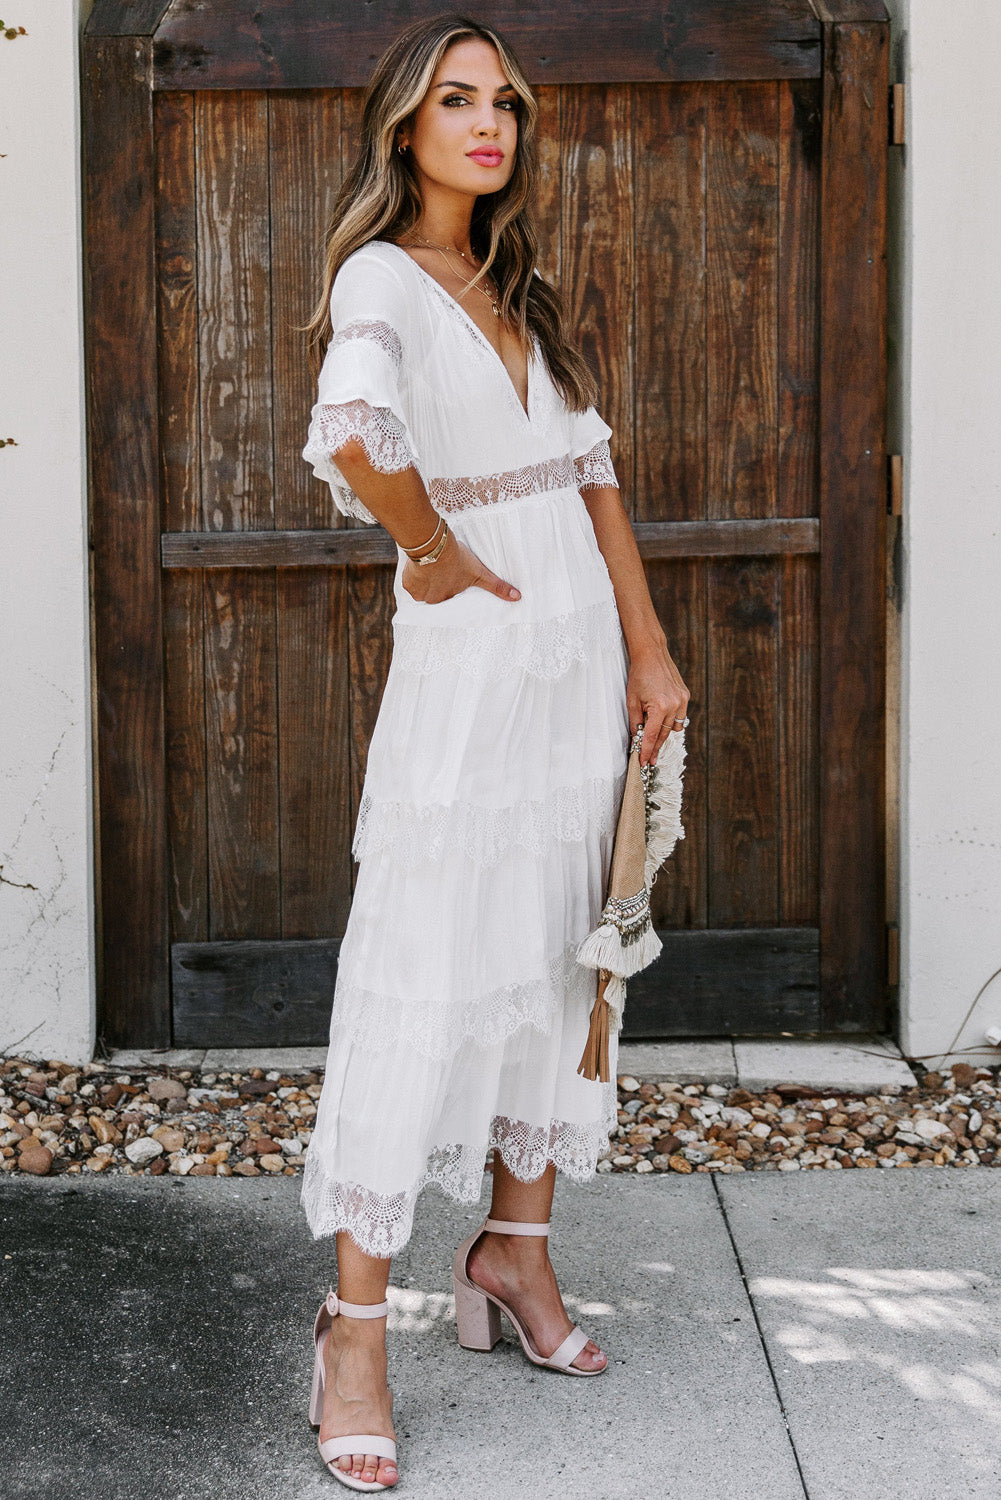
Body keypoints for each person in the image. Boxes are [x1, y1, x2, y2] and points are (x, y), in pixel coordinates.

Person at [298, 12, 690, 1490]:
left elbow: (589, 477)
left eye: (505, 105)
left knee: (560, 961)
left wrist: (647, 648)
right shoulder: (383, 275)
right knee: (422, 964)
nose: (486, 125)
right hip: (470, 684)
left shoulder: (513, 280)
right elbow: (351, 431)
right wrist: (434, 550)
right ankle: (353, 1331)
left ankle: (514, 1258)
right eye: (455, 101)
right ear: (404, 124)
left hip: (578, 662)